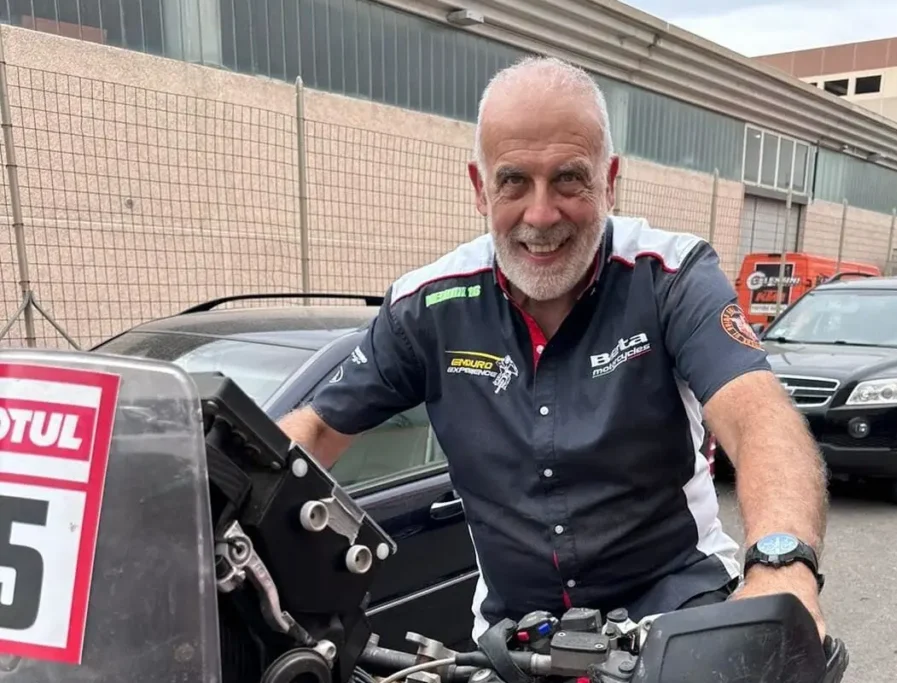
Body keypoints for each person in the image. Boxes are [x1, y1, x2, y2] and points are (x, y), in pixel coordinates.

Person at [278, 56, 830, 643]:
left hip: (674, 604)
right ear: (479, 187)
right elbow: (312, 432)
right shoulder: (427, 306)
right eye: (514, 180)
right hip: (515, 633)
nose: (541, 215)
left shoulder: (671, 276)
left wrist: (781, 567)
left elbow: (758, 416)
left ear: (609, 179)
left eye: (569, 178)